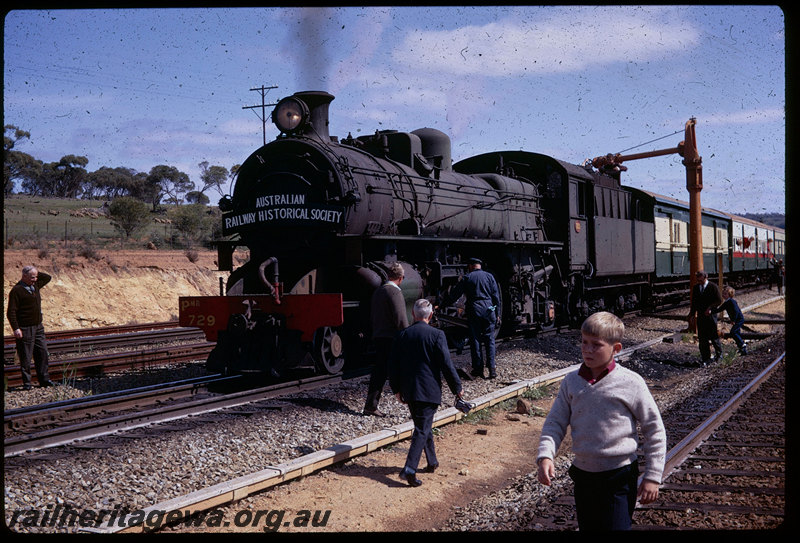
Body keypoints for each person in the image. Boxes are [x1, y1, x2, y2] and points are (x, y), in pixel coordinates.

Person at [536, 311, 666, 531]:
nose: (587, 349)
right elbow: (555, 423)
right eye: (584, 342)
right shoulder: (571, 382)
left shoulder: (631, 383)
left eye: (596, 345)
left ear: (616, 349)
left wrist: (653, 475)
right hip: (584, 476)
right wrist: (545, 455)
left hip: (619, 476)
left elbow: (654, 430)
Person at [389, 299, 464, 487]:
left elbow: (393, 365)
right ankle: (409, 469)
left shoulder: (403, 335)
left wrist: (396, 388)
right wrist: (457, 388)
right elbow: (446, 364)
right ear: (430, 315)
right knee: (422, 429)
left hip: (409, 390)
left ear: (413, 315)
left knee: (424, 425)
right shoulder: (437, 335)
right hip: (429, 391)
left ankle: (432, 462)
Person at [442, 258, 501, 379]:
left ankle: (478, 369)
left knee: (476, 339)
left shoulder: (468, 277)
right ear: (479, 266)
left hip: (475, 309)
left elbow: (455, 295)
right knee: (490, 340)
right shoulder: (489, 276)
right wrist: (497, 312)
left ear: (470, 266)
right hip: (489, 309)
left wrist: (442, 305)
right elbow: (496, 296)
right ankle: (492, 369)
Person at [363, 262, 409, 417]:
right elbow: (401, 319)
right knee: (404, 369)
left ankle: (371, 405)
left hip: (379, 336)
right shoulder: (394, 292)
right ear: (401, 278)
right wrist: (407, 336)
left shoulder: (378, 291)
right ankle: (412, 405)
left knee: (379, 372)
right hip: (392, 339)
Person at [7, 266, 56, 390]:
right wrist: (16, 328)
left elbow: (47, 277)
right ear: (24, 276)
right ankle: (27, 383)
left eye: (35, 277)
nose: (35, 279)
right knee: (26, 356)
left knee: (42, 353)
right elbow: (11, 312)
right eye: (32, 277)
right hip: (25, 328)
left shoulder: (35, 286)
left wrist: (35, 272)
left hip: (38, 326)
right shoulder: (17, 290)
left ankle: (44, 380)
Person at [687, 269, 723, 365]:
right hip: (701, 316)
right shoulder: (696, 288)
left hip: (711, 316)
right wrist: (691, 314)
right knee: (702, 338)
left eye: (701, 280)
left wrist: (710, 308)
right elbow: (694, 302)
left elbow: (719, 300)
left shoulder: (713, 287)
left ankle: (719, 355)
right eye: (698, 281)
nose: (700, 282)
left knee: (713, 336)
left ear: (706, 278)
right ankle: (705, 357)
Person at [711, 285, 747, 355]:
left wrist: (733, 320)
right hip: (736, 319)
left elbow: (736, 311)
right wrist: (711, 312)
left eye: (725, 294)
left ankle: (742, 344)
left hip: (739, 319)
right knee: (737, 333)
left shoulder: (732, 302)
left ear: (730, 295)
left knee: (733, 332)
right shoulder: (726, 302)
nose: (723, 295)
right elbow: (719, 309)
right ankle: (742, 350)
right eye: (723, 294)